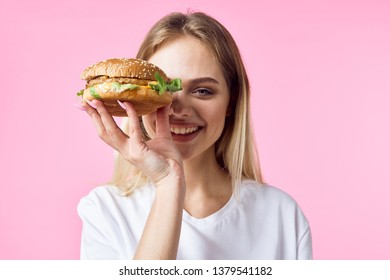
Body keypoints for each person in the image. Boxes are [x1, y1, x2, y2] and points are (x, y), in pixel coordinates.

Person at [77, 11, 312, 260]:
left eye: (202, 90)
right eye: (163, 88)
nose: (178, 109)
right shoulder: (106, 211)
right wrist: (168, 184)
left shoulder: (282, 215)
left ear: (231, 102)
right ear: (135, 100)